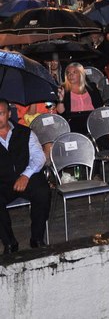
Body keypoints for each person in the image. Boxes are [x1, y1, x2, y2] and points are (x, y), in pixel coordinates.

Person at [0, 99, 50, 254]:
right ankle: (9, 243)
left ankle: (37, 238)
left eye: (0, 113)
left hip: (26, 176)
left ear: (9, 114)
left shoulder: (25, 132)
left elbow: (39, 157)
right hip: (3, 182)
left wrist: (25, 175)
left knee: (43, 191)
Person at [55, 62, 103, 134]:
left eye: (74, 72)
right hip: (74, 122)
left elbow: (100, 106)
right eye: (68, 73)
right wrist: (61, 100)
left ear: (81, 74)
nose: (71, 75)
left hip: (92, 119)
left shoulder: (91, 87)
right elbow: (60, 112)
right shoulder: (63, 89)